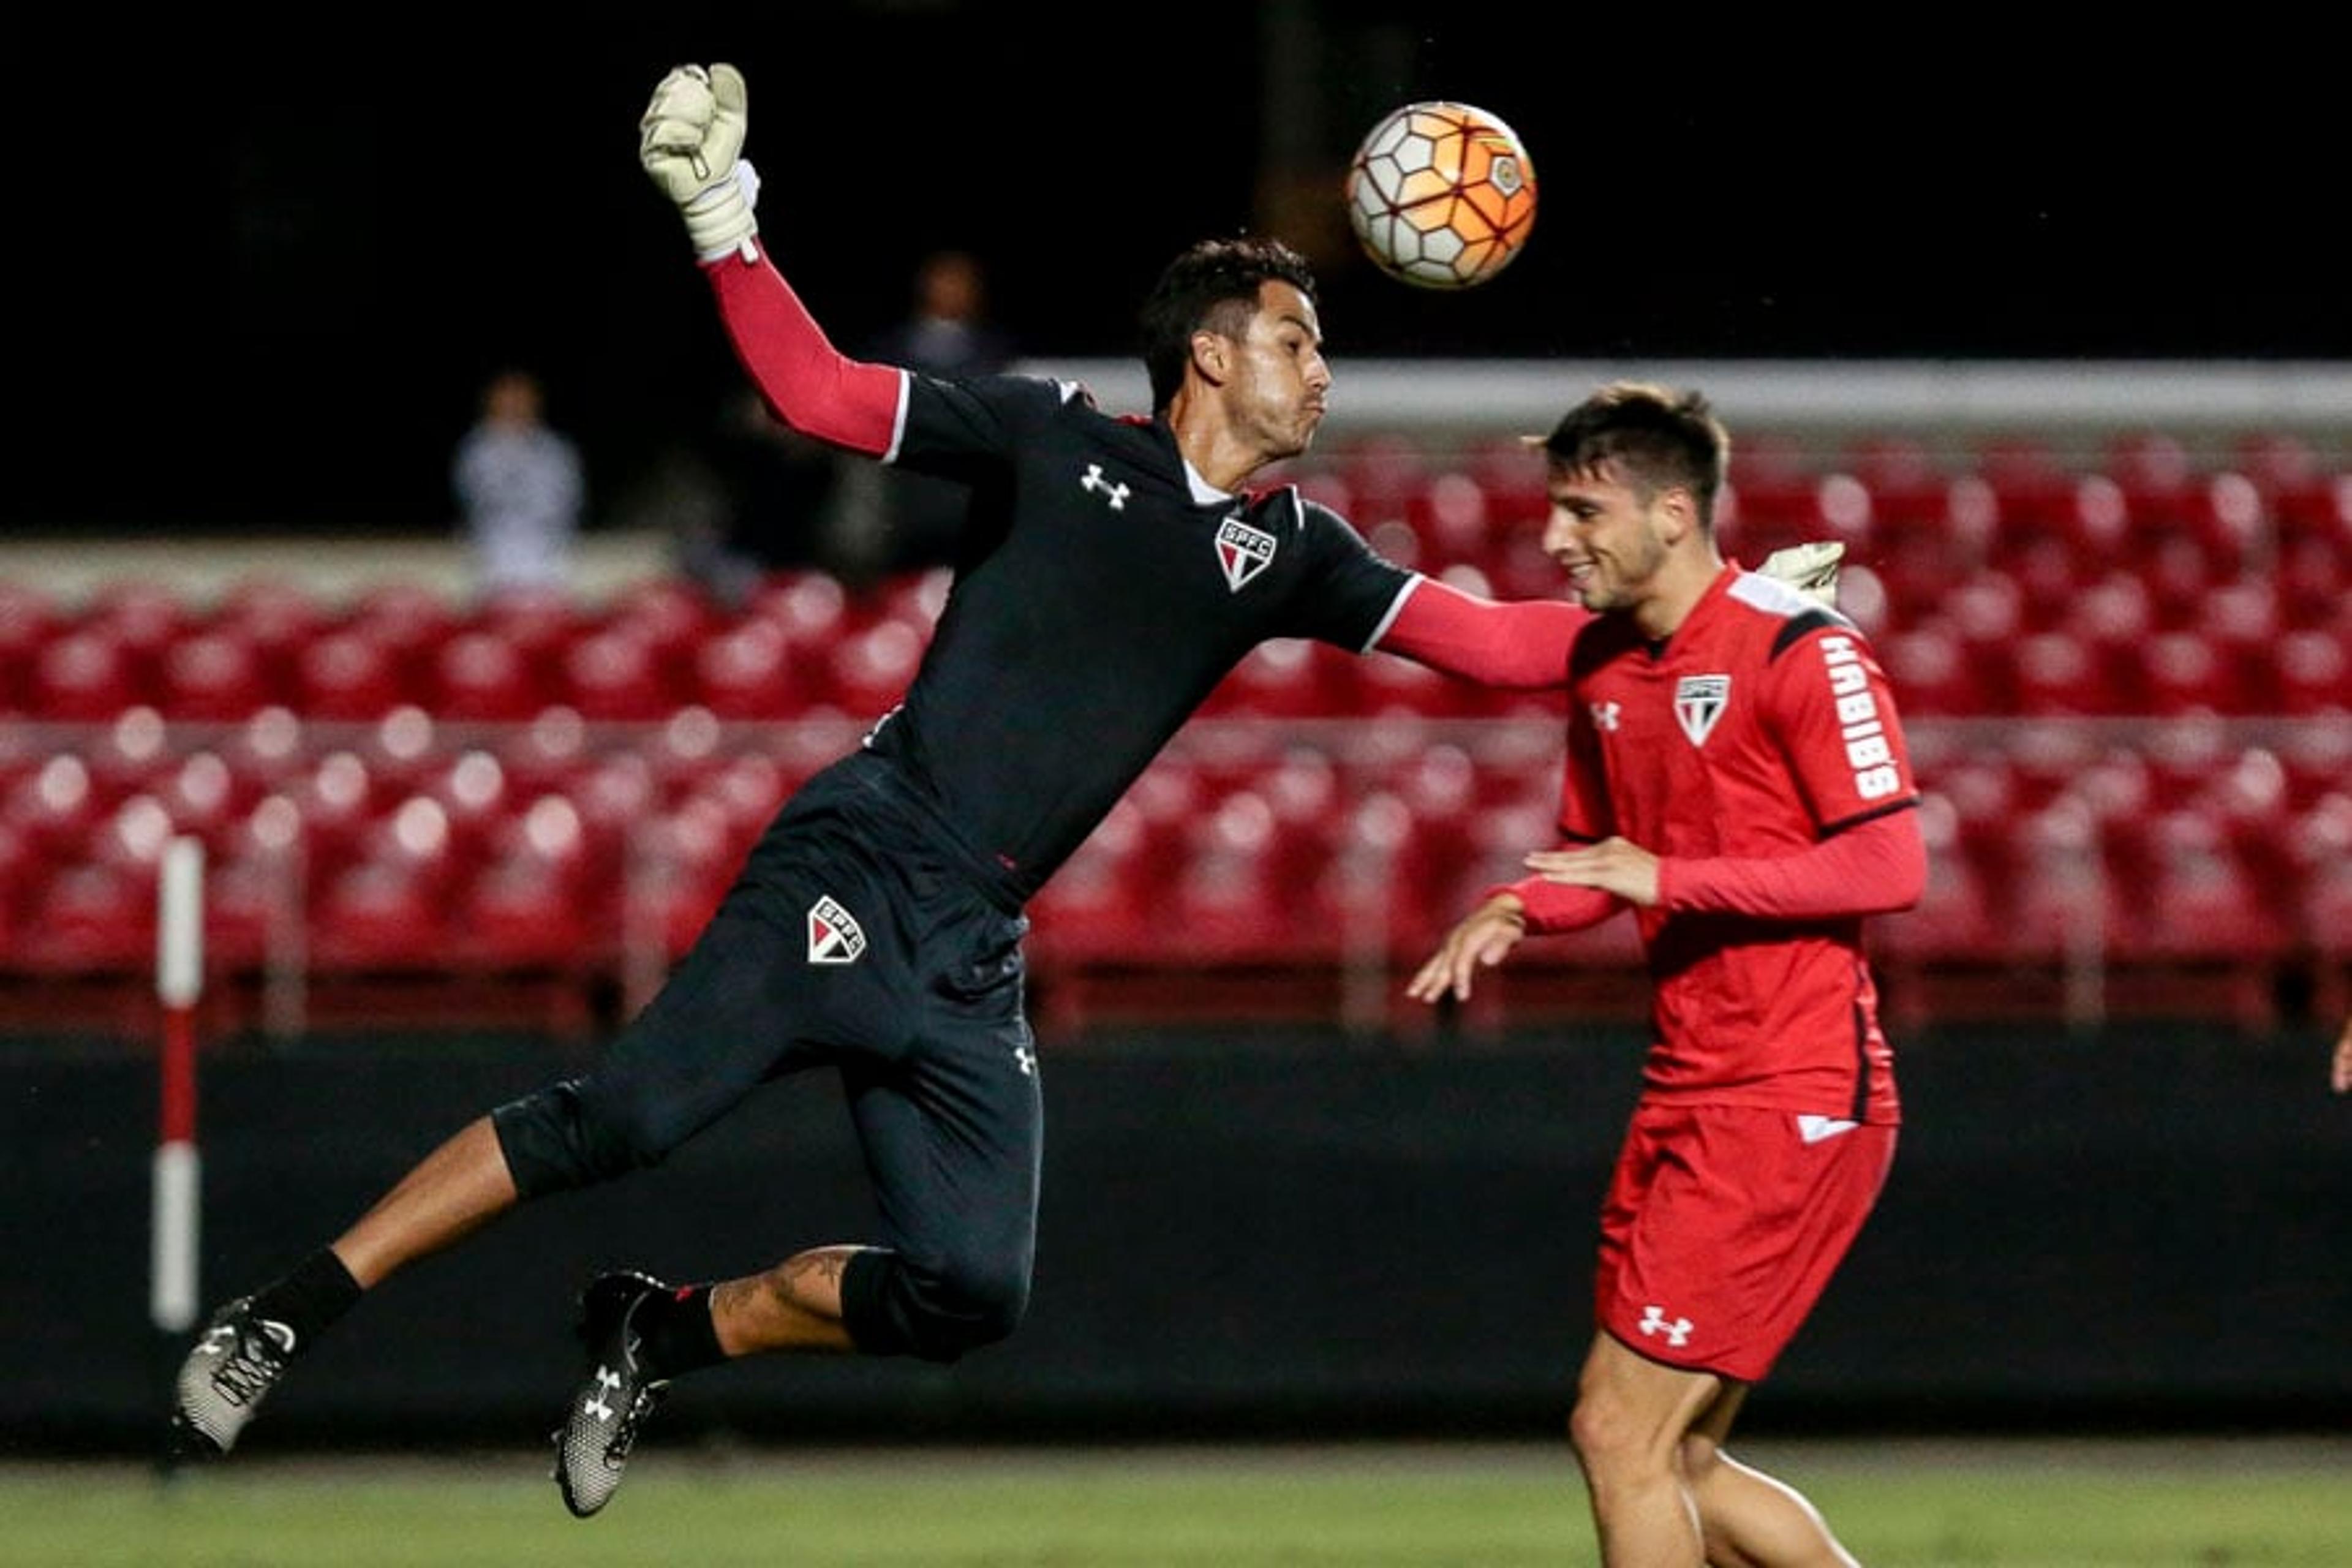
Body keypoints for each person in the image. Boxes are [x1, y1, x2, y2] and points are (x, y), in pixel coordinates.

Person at [170, 64, 1833, 1517]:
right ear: (1207, 353)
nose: (1323, 371)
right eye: (1298, 339)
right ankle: (292, 1308)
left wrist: (1715, 605)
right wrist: (723, 215)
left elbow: (1496, 646)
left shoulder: (1286, 554)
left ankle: (655, 1332)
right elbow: (815, 397)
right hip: (868, 850)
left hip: (970, 938)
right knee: (629, 1117)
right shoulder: (1053, 439)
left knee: (975, 1288)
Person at [1405, 383, 1925, 1568]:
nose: (1553, 540)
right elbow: (1606, 858)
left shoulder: (1803, 646)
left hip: (1791, 1090)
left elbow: (1892, 862)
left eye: (1584, 512)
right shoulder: (1608, 666)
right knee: (1680, 1460)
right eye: (1553, 511)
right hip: (1691, 1085)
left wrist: (1674, 878)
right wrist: (1519, 907)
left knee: (1614, 1430)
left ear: (1676, 513)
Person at [451, 366, 586, 597]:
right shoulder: (476, 450)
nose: (514, 406)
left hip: (549, 562)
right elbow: (478, 500)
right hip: (491, 564)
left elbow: (567, 502)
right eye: (507, 399)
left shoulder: (555, 451)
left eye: (521, 399)